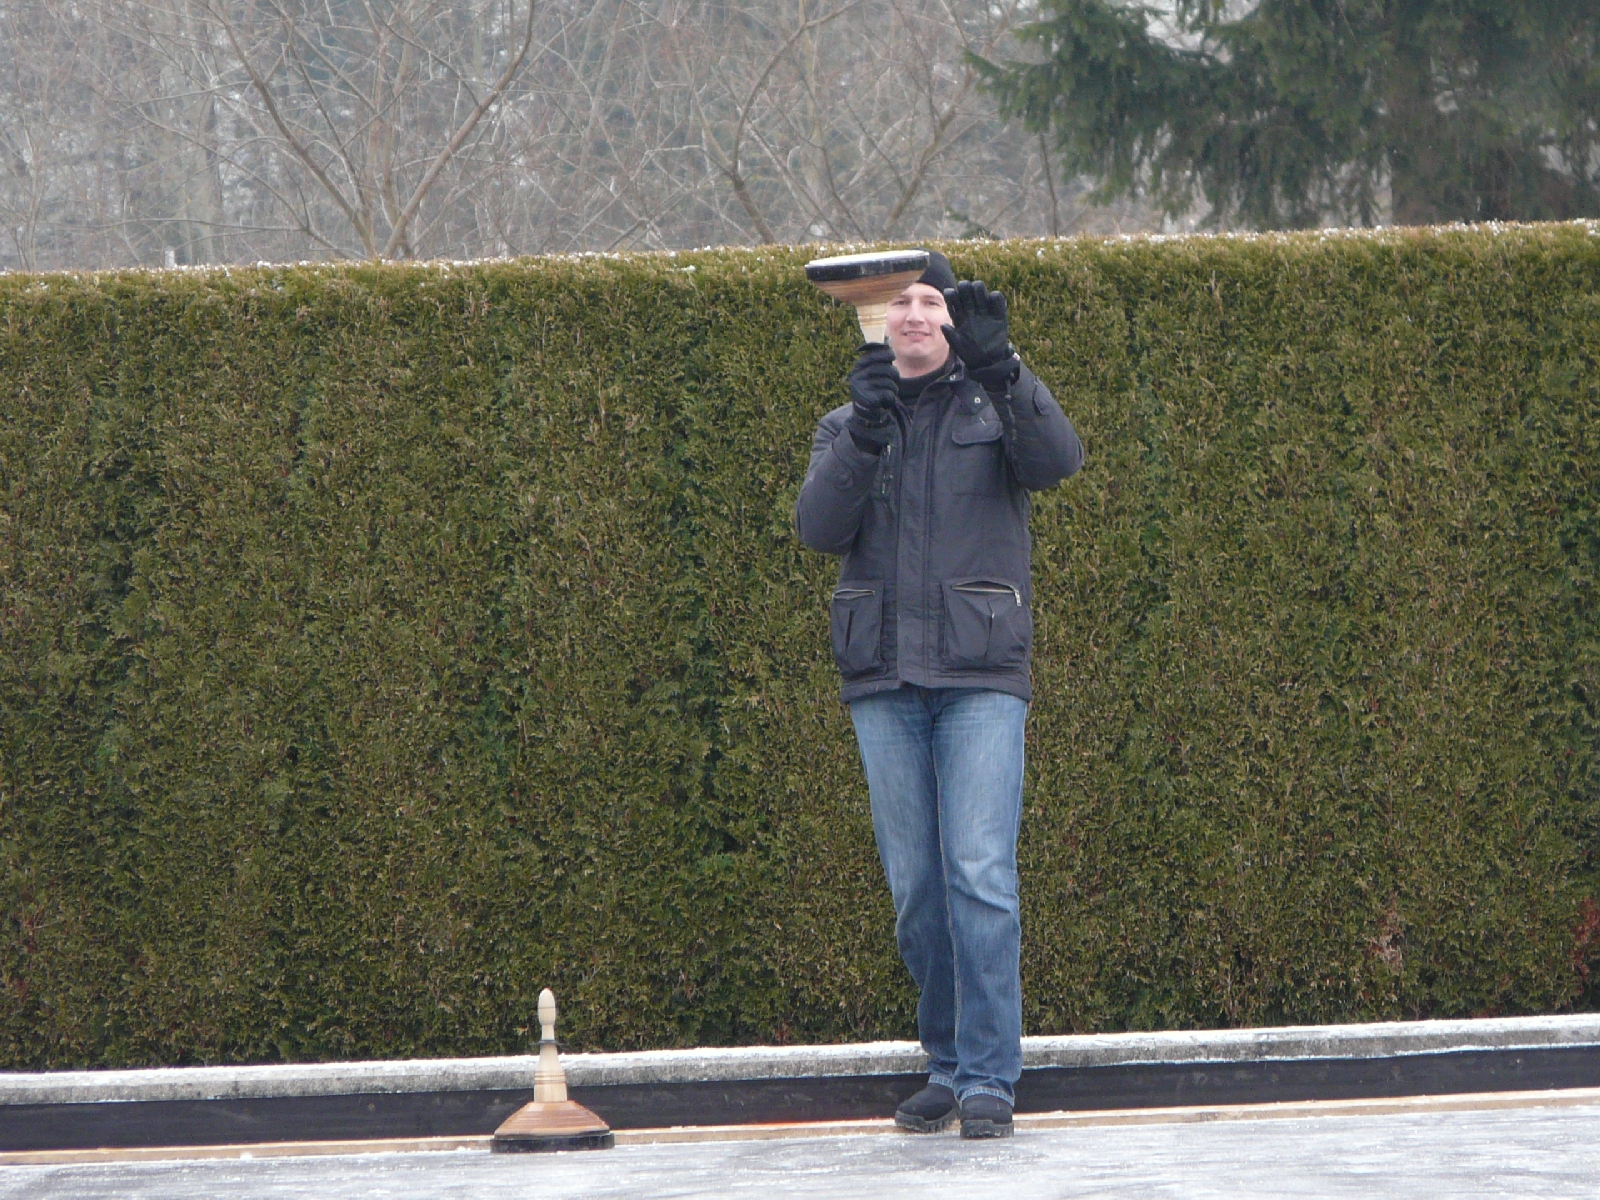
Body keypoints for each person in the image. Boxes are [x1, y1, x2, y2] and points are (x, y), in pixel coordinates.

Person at [794, 251, 1083, 1139]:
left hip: (980, 674)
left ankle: (989, 1076)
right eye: (899, 304)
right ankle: (948, 1064)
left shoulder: (994, 403)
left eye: (930, 300)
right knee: (918, 887)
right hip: (882, 677)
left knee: (980, 875)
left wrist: (1007, 367)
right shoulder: (845, 422)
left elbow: (1058, 460)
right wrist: (866, 433)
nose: (915, 315)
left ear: (952, 318)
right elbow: (818, 528)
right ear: (876, 321)